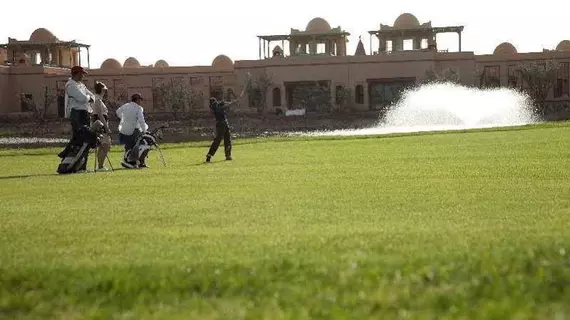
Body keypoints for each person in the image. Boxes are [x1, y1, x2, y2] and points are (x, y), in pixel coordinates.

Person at [58, 66, 95, 172]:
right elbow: (82, 98)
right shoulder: (70, 85)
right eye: (81, 74)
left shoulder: (81, 85)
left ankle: (83, 166)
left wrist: (88, 97)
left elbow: (91, 95)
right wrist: (88, 98)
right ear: (76, 73)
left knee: (87, 138)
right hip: (77, 113)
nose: (83, 76)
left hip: (85, 112)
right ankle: (69, 157)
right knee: (79, 137)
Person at [205, 88, 245, 163]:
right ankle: (209, 155)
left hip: (224, 123)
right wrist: (233, 103)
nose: (217, 102)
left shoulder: (217, 104)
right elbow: (224, 107)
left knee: (228, 139)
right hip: (221, 124)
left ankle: (228, 155)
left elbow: (225, 103)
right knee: (218, 140)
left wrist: (235, 101)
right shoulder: (216, 108)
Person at [116, 93, 148, 169]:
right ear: (137, 100)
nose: (140, 102)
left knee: (128, 147)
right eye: (140, 100)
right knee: (137, 146)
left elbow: (118, 112)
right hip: (134, 130)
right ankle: (133, 162)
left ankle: (128, 161)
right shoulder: (138, 108)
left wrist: (124, 119)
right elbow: (141, 121)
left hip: (123, 129)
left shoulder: (126, 105)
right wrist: (145, 130)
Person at [91, 81, 112, 171]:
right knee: (105, 144)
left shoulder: (96, 99)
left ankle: (100, 165)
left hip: (100, 122)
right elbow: (100, 114)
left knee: (103, 145)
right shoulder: (98, 100)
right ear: (102, 90)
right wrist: (106, 128)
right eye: (104, 90)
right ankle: (100, 166)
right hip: (101, 123)